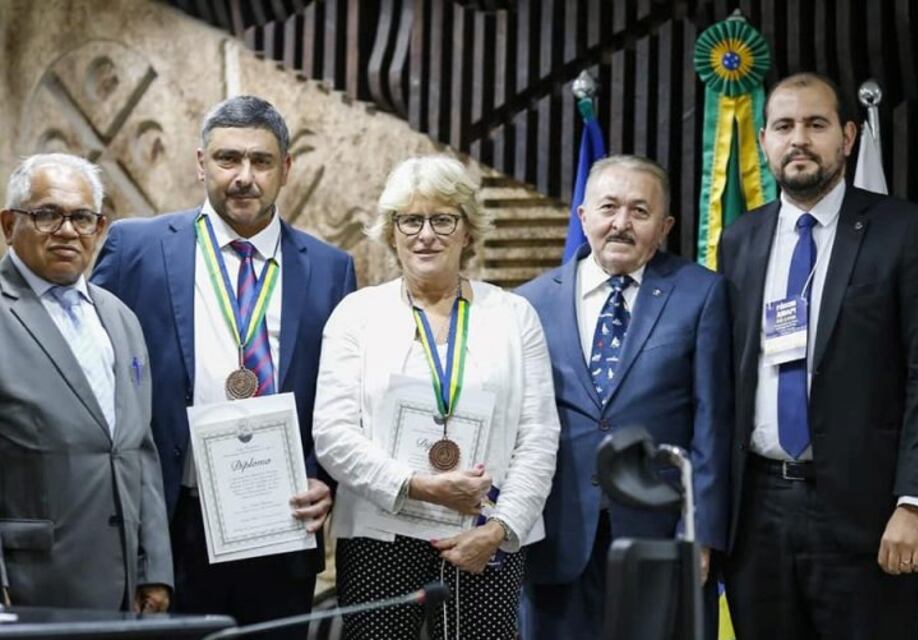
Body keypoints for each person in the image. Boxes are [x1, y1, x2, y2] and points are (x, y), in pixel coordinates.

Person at [91, 96, 356, 635]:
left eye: (260, 161)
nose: (244, 177)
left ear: (285, 169)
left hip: (281, 521)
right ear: (200, 163)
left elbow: (344, 392)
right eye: (227, 159)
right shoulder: (136, 247)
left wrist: (324, 475)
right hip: (169, 520)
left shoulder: (332, 269)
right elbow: (91, 368)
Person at [718, 72, 918, 639]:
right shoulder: (740, 240)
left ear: (848, 137)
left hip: (870, 513)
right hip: (758, 515)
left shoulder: (904, 230)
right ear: (764, 142)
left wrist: (916, 502)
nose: (798, 139)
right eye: (783, 125)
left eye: (816, 124)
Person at [312, 154, 560, 639]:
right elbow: (333, 433)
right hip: (380, 536)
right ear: (392, 231)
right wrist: (418, 486)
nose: (426, 234)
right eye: (411, 220)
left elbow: (539, 435)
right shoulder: (355, 315)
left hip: (484, 536)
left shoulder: (515, 316)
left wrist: (500, 529)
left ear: (467, 230)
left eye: (443, 219)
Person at [516, 154, 732, 639]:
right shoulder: (529, 303)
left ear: (666, 225)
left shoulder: (701, 295)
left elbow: (713, 423)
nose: (621, 223)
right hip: (556, 538)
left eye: (640, 211)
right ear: (583, 216)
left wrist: (699, 536)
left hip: (660, 540)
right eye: (609, 207)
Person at [0, 153, 172, 611]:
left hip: (122, 590)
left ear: (99, 228)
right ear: (8, 224)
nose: (67, 230)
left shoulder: (121, 318)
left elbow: (140, 450)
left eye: (81, 217)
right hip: (28, 586)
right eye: (47, 215)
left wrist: (154, 567)